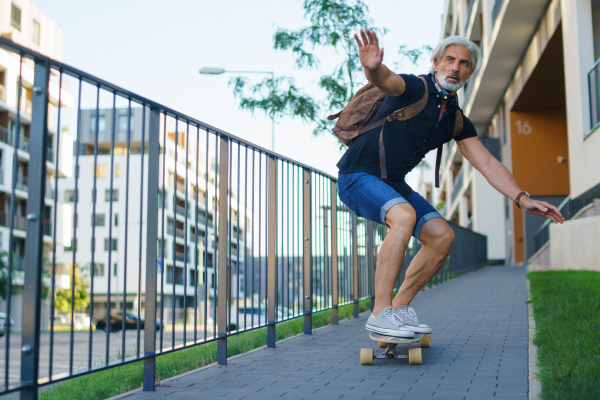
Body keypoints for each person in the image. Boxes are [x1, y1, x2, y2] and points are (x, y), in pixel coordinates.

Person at [336, 30, 565, 338]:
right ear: (436, 64)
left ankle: (400, 309)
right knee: (404, 216)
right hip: (356, 176)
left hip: (391, 183)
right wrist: (372, 67)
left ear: (470, 72)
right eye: (450, 60)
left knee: (442, 236)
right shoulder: (415, 88)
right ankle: (380, 313)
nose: (456, 68)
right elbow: (386, 80)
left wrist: (522, 198)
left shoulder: (455, 119)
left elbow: (487, 163)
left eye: (464, 63)